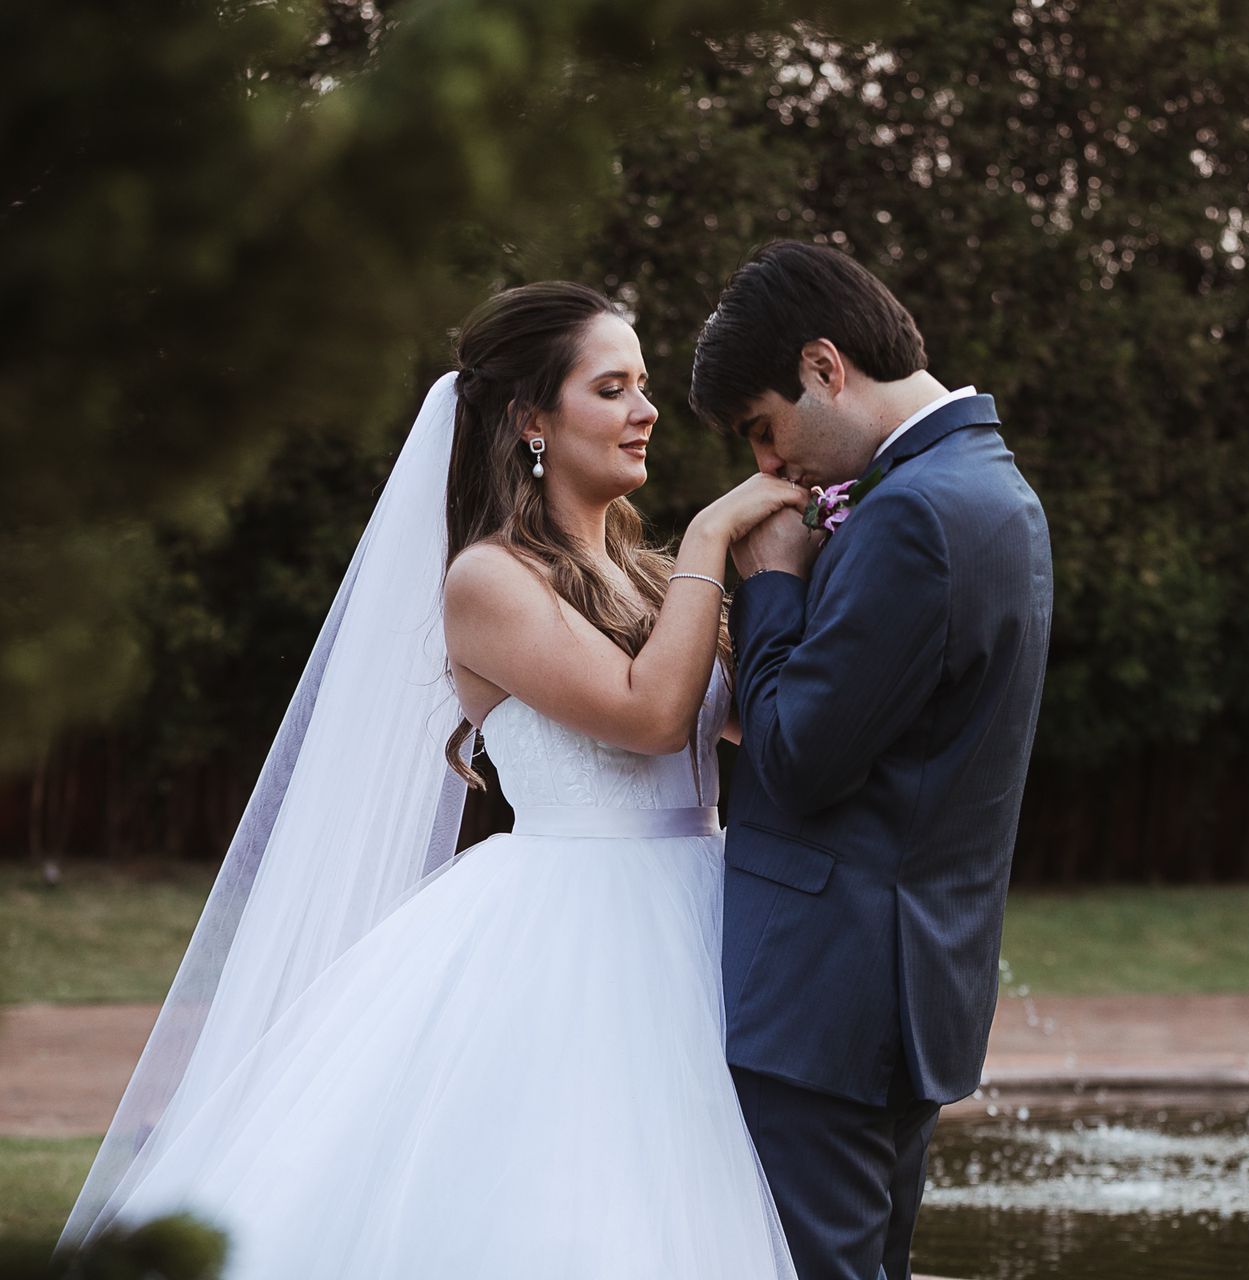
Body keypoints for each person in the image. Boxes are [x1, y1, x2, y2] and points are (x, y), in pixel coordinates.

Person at [60, 282, 808, 1277]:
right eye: (613, 386)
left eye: (644, 386)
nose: (646, 411)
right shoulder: (488, 581)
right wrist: (716, 539)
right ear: (532, 419)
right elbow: (646, 713)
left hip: (704, 906)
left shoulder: (645, 574)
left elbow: (754, 720)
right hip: (573, 935)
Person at [689, 241, 1052, 1280]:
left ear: (824, 364)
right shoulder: (984, 487)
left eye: (765, 427)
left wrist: (767, 583)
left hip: (825, 991)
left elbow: (800, 756)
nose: (767, 464)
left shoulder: (913, 515)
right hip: (898, 981)